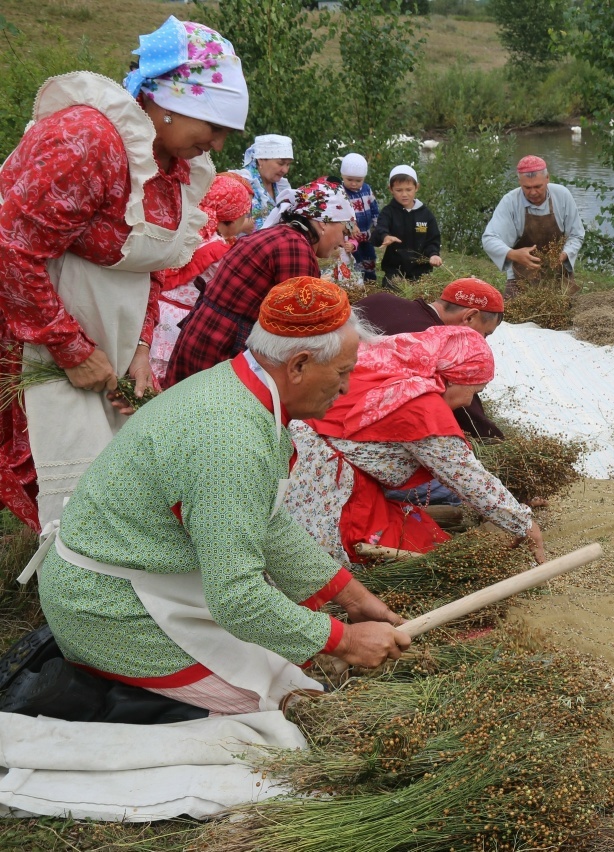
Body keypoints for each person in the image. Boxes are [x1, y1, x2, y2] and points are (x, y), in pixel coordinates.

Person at [24, 278, 409, 716]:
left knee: (287, 666)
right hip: (108, 608)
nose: (345, 387)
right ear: (298, 365)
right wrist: (345, 640)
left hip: (147, 579)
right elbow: (237, 597)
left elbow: (264, 518)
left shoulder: (242, 389)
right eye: (342, 373)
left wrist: (353, 600)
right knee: (276, 707)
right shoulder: (229, 437)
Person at [0, 17, 249, 529]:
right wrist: (70, 349)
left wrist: (139, 347)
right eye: (215, 128)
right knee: (71, 481)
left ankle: (94, 593)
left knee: (114, 481)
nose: (219, 146)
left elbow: (153, 261)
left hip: (108, 344)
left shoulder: (173, 166)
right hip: (39, 334)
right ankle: (70, 597)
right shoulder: (86, 139)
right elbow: (12, 249)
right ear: (170, 103)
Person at [285, 325, 546, 568]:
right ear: (453, 378)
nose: (469, 402)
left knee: (420, 529)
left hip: (308, 465)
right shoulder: (420, 406)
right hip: (325, 488)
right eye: (474, 390)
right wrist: (524, 525)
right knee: (421, 549)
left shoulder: (389, 366)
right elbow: (467, 477)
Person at [165, 178, 356, 386]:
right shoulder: (294, 247)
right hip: (220, 346)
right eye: (344, 229)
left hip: (203, 336)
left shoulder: (281, 236)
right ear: (323, 223)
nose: (343, 241)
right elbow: (300, 326)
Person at [357, 277, 507, 441]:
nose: (483, 342)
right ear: (469, 317)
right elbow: (466, 411)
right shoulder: (440, 349)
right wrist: (495, 440)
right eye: (486, 333)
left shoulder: (379, 300)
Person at [150, 172, 254, 385]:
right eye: (245, 215)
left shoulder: (189, 233)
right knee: (166, 380)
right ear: (233, 218)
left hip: (157, 310)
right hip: (179, 320)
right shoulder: (218, 251)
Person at [481, 155, 585, 297]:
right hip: (520, 278)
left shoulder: (562, 195)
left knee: (567, 315)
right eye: (527, 187)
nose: (533, 192)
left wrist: (563, 254)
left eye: (538, 186)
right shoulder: (510, 202)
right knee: (513, 318)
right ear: (519, 182)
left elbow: (576, 235)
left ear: (547, 178)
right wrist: (514, 254)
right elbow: (489, 239)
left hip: (560, 277)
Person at [371, 164, 441, 283]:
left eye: (408, 189)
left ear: (416, 187)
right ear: (390, 189)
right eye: (399, 190)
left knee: (420, 299)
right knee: (393, 298)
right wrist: (385, 236)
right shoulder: (388, 212)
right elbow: (378, 232)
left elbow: (433, 240)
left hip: (421, 272)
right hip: (395, 272)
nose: (404, 194)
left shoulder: (426, 214)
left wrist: (434, 254)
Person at [335, 152, 380, 283]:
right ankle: (357, 282)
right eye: (349, 180)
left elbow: (374, 209)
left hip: (366, 234)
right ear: (342, 176)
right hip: (350, 236)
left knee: (370, 257)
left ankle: (371, 281)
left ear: (364, 178)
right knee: (356, 260)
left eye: (358, 181)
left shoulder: (367, 189)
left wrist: (379, 227)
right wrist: (350, 226)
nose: (354, 183)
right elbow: (339, 214)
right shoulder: (341, 192)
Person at [234, 133, 293, 230]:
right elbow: (224, 225)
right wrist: (242, 226)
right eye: (281, 163)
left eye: (288, 164)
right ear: (261, 159)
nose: (285, 170)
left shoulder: (281, 186)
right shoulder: (241, 183)